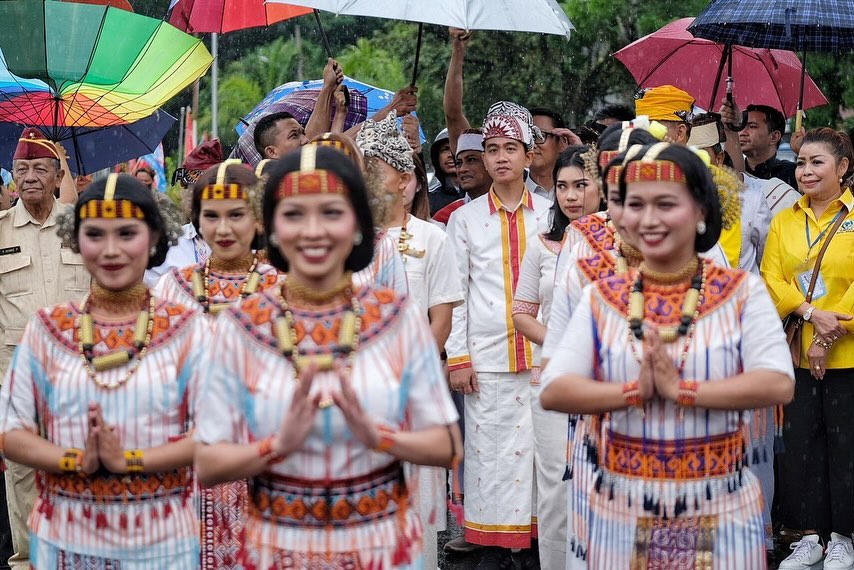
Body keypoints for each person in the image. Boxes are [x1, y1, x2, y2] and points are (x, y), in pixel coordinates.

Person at [194, 145, 461, 568]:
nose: (313, 231)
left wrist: (378, 437)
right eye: (295, 214)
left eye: (331, 213)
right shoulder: (242, 326)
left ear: (357, 221)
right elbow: (208, 463)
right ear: (272, 227)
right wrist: (278, 445)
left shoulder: (397, 319)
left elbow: (446, 444)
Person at [541, 142, 795, 569]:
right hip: (621, 505)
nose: (648, 218)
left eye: (666, 203)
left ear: (701, 211)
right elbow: (554, 388)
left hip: (720, 503)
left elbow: (777, 382)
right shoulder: (601, 298)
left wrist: (683, 389)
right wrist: (632, 391)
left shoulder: (740, 293)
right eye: (635, 204)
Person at [0, 173, 204, 568]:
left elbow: (216, 432)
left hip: (162, 543)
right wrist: (75, 461)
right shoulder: (47, 328)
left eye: (127, 234)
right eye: (95, 234)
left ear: (155, 239)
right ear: (76, 241)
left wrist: (129, 460)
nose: (111, 250)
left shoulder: (188, 328)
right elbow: (11, 430)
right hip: (66, 541)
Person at [446, 101, 551, 568]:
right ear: (483, 158)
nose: (501, 157)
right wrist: (458, 356)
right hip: (486, 359)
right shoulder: (464, 220)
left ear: (530, 155)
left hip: (544, 356)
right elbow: (456, 293)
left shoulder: (551, 214)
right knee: (490, 459)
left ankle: (535, 548)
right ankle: (491, 551)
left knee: (539, 458)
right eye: (492, 149)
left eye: (511, 148)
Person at [359, 111, 464, 568]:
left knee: (417, 498)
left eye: (375, 173)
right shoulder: (349, 241)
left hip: (415, 380)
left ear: (405, 182)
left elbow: (441, 314)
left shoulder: (433, 237)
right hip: (361, 383)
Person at [761, 128, 854, 570]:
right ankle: (810, 536)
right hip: (797, 352)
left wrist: (826, 331)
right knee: (802, 444)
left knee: (846, 445)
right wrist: (808, 312)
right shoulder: (785, 220)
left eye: (817, 162)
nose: (806, 170)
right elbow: (771, 277)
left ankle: (844, 537)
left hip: (849, 353)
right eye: (801, 163)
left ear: (843, 167)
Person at [0, 128, 91, 569]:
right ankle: (28, 562)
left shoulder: (83, 230)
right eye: (22, 169)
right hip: (14, 378)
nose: (30, 176)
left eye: (40, 168)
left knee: (78, 470)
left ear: (59, 177)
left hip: (77, 376)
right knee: (21, 476)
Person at [511, 145, 604, 569]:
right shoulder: (543, 245)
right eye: (562, 186)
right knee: (555, 489)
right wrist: (565, 344)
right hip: (552, 380)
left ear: (601, 186)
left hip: (608, 381)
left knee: (606, 486)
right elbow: (521, 313)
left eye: (581, 185)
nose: (571, 196)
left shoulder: (621, 246)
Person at [144, 140, 218, 287]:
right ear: (186, 194)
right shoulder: (167, 244)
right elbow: (151, 294)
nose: (205, 200)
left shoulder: (243, 244)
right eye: (196, 191)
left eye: (213, 192)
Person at [432, 129, 492, 229]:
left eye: (471, 160)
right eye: (458, 163)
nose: (462, 169)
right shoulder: (445, 217)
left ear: (489, 162)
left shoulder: (518, 207)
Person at [528, 107, 571, 200]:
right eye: (529, 136)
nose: (533, 145)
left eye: (540, 135)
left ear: (561, 143)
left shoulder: (576, 192)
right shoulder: (512, 194)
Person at [428, 129, 463, 214]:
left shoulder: (485, 194)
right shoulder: (430, 199)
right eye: (445, 149)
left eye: (456, 148)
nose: (450, 155)